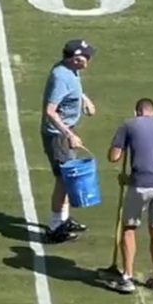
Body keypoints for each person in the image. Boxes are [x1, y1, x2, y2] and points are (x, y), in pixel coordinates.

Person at [106, 98, 153, 293]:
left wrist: (125, 177)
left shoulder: (128, 124)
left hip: (141, 184)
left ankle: (127, 277)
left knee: (129, 227)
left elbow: (114, 157)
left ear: (137, 111)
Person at [41, 39, 97, 244]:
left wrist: (84, 98)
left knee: (67, 178)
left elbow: (74, 87)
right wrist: (69, 135)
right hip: (58, 136)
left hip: (65, 132)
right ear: (75, 59)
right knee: (64, 180)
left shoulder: (69, 69)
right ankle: (55, 227)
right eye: (85, 57)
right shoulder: (60, 76)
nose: (88, 60)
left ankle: (63, 219)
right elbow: (50, 111)